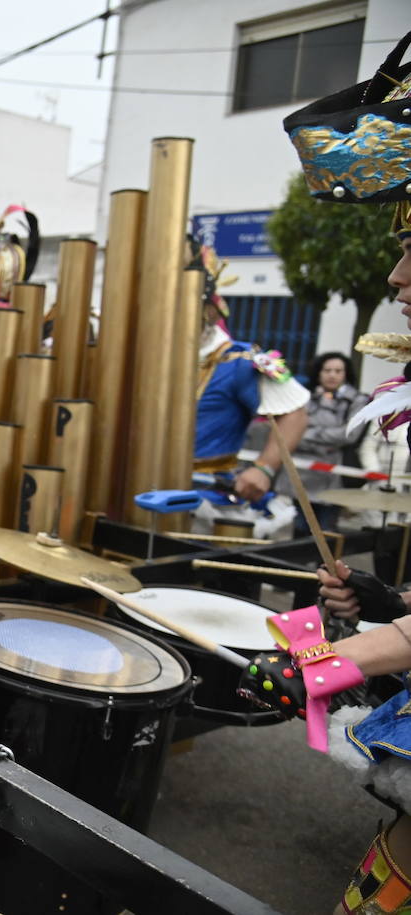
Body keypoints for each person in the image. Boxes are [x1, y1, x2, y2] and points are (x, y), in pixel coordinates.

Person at [239, 31, 411, 914]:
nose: (395, 272)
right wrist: (383, 606)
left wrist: (326, 663)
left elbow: (292, 413)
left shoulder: (254, 362)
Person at [191, 244, 310, 503]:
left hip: (204, 499)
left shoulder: (240, 360)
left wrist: (264, 467)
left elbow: (296, 414)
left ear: (209, 310)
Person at [277, 352, 370, 532]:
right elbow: (290, 429)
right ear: (318, 373)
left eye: (338, 371)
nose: (332, 375)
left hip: (332, 476)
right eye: (327, 370)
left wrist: (308, 434)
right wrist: (321, 435)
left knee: (327, 530)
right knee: (300, 527)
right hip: (302, 473)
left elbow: (348, 434)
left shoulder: (357, 400)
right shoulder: (305, 397)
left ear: (346, 374)